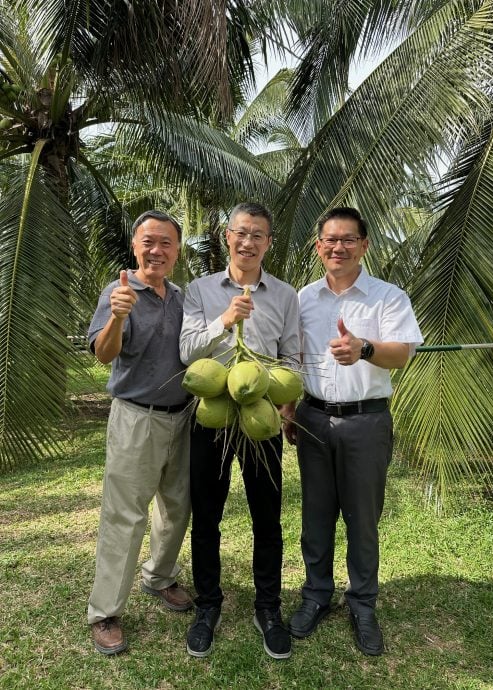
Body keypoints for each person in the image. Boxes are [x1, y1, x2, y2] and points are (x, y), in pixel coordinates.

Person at [286, 207, 422, 656]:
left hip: (367, 420)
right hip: (313, 418)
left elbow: (401, 353)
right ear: (318, 246)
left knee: (363, 520)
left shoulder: (387, 296)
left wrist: (363, 348)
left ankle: (362, 603)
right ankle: (316, 596)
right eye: (329, 239)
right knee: (316, 514)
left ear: (364, 245)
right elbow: (294, 359)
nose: (337, 247)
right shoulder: (302, 298)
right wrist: (289, 408)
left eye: (348, 239)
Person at [179, 202, 300, 660]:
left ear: (268, 242)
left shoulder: (285, 295)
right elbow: (188, 352)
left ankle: (268, 608)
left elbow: (290, 357)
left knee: (267, 516)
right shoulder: (201, 290)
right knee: (206, 516)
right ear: (227, 236)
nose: (248, 241)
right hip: (211, 413)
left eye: (258, 235)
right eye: (241, 232)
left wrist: (287, 405)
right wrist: (224, 321)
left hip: (260, 413)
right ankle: (208, 606)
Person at [87, 210, 193, 655]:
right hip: (136, 417)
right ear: (135, 246)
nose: (157, 250)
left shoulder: (181, 296)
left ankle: (160, 576)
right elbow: (102, 353)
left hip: (184, 416)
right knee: (124, 515)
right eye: (148, 241)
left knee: (176, 506)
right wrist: (116, 317)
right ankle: (105, 612)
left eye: (166, 242)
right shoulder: (120, 291)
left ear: (176, 250)